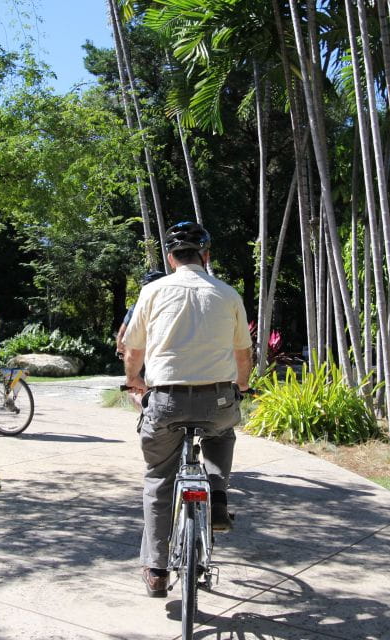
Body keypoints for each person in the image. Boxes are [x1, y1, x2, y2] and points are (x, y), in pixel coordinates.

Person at [121, 221, 252, 598]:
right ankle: (217, 493)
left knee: (159, 479)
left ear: (169, 258)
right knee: (223, 430)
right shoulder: (228, 294)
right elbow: (243, 354)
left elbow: (133, 350)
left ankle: (157, 570)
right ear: (206, 256)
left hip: (165, 400)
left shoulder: (153, 291)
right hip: (218, 399)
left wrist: (135, 381)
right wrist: (241, 386)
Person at [115, 270, 166, 358]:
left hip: (147, 355)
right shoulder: (176, 302)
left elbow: (121, 334)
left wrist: (120, 349)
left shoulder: (137, 307)